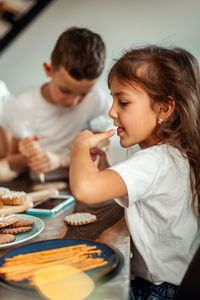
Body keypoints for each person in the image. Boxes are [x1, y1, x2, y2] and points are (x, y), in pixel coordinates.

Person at [69, 45, 200, 299]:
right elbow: (133, 194)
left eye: (124, 101)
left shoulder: (157, 160)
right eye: (113, 99)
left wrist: (79, 147)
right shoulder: (175, 154)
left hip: (154, 291)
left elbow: (86, 190)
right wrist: (104, 166)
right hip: (170, 286)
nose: (111, 111)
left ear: (163, 109)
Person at [0, 27, 110, 181]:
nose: (73, 101)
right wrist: (25, 155)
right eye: (65, 91)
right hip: (41, 185)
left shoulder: (97, 100)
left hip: (84, 183)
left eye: (83, 94)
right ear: (48, 69)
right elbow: (15, 164)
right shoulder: (22, 105)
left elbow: (100, 157)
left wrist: (59, 160)